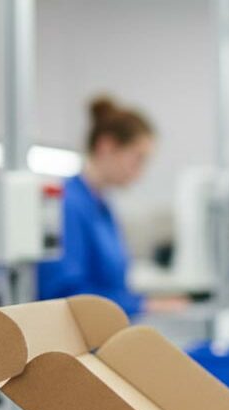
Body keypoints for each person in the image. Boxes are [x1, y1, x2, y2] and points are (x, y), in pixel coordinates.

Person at [37, 96, 155, 317]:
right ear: (106, 146)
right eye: (138, 158)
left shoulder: (102, 206)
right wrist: (141, 305)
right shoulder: (68, 204)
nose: (140, 171)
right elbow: (67, 294)